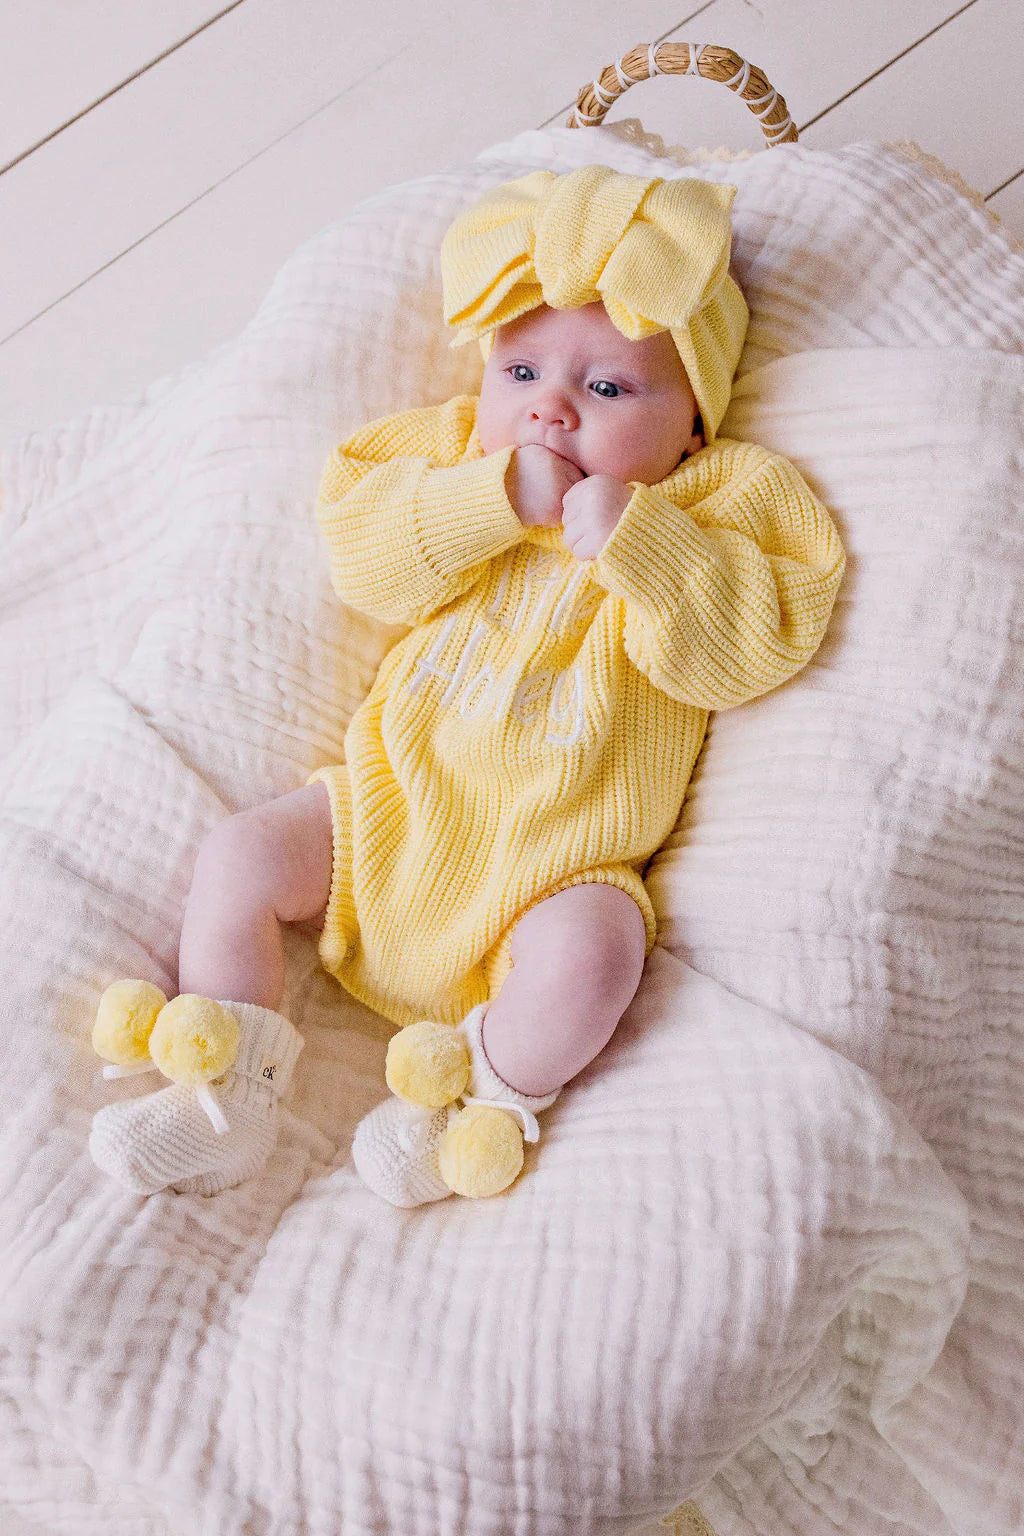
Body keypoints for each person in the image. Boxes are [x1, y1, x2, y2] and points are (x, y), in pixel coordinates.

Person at [88, 165, 846, 1207]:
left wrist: (643, 545)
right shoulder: (453, 458)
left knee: (596, 959)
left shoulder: (721, 503)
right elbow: (364, 559)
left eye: (608, 390)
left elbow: (750, 652)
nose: (551, 411)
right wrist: (486, 502)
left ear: (694, 430)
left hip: (556, 873)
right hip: (382, 817)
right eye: (521, 372)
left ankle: (471, 1106)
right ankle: (227, 1095)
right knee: (240, 858)